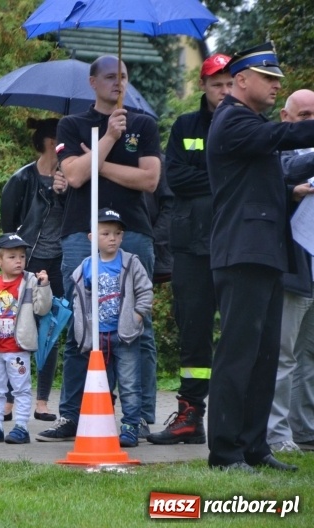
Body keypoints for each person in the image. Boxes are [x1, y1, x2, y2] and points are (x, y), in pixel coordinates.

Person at [36, 55, 161, 443]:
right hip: (81, 234)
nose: (117, 83)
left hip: (132, 233)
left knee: (137, 325)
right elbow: (74, 176)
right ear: (92, 82)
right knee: (80, 323)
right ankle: (74, 416)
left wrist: (97, 163)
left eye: (123, 76)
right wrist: (107, 139)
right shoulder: (72, 125)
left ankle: (139, 417)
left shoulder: (143, 124)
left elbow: (150, 180)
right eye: (109, 76)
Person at [206, 42, 314, 472]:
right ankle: (225, 452)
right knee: (238, 354)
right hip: (243, 251)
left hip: (263, 251)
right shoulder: (233, 120)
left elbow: (282, 169)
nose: (275, 86)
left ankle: (254, 447)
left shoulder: (251, 125)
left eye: (277, 80)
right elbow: (282, 137)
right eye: (268, 78)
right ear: (241, 80)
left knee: (265, 357)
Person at [147, 53, 232, 446]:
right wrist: (225, 178)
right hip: (192, 248)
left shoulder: (250, 124)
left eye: (230, 84)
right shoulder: (185, 126)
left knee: (238, 334)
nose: (224, 91)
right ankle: (190, 416)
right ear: (203, 85)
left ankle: (236, 419)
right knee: (193, 334)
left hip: (234, 245)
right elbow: (176, 178)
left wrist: (205, 178)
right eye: (217, 84)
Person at [0, 117, 68, 422]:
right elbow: (9, 227)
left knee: (50, 330)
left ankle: (42, 401)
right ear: (50, 143)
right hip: (28, 261)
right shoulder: (22, 179)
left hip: (58, 264)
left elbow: (77, 219)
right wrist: (15, 260)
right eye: (62, 141)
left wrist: (65, 193)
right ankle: (9, 402)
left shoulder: (71, 178)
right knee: (16, 329)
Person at [70, 209, 153, 447]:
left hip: (125, 336)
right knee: (101, 385)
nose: (112, 238)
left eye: (117, 233)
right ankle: (103, 424)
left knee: (129, 384)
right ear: (92, 238)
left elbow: (145, 291)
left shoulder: (130, 263)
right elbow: (79, 299)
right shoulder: (86, 267)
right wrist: (84, 330)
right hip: (98, 339)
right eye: (105, 233)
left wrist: (137, 316)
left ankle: (131, 426)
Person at [267, 89, 314, 453]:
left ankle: (306, 431)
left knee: (309, 357)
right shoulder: (276, 150)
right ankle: (277, 433)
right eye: (304, 116)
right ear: (285, 118)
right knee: (284, 356)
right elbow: (285, 173)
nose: (311, 123)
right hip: (292, 272)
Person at [0, 233, 52, 445]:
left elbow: (42, 309)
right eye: (12, 256)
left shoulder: (31, 282)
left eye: (22, 256)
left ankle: (21, 427)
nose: (19, 261)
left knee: (21, 389)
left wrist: (44, 286)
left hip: (18, 349)